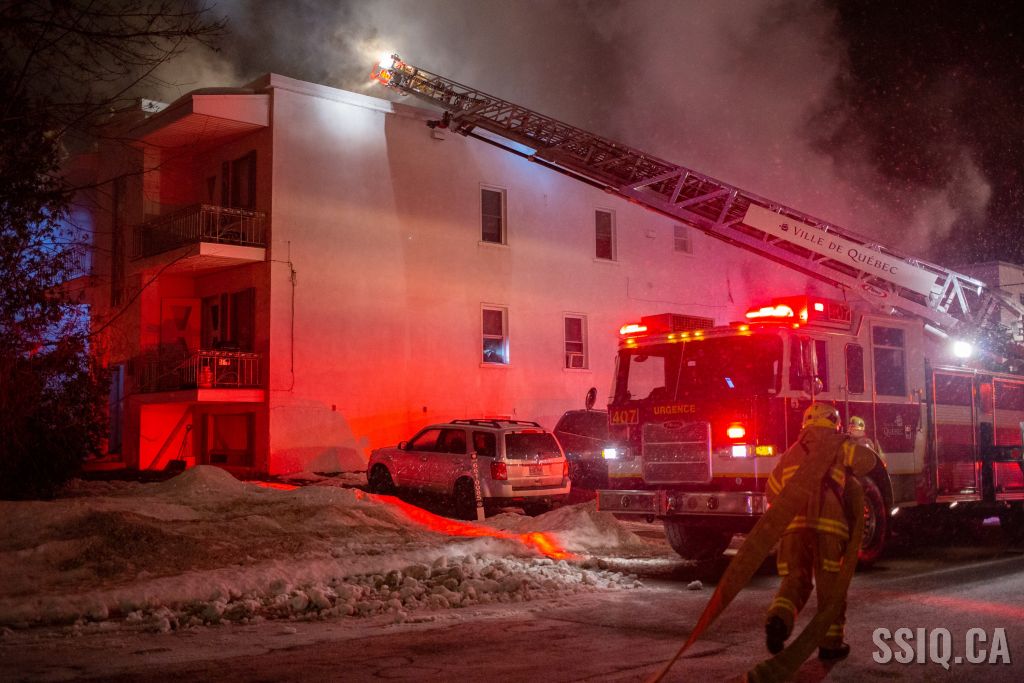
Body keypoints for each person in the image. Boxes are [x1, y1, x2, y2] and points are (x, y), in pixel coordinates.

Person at [764, 403, 879, 661]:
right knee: (831, 587)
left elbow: (771, 491)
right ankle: (830, 644)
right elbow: (868, 461)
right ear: (834, 423)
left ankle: (778, 620)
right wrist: (851, 450)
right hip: (829, 528)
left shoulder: (791, 453)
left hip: (795, 529)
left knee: (796, 579)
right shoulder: (839, 445)